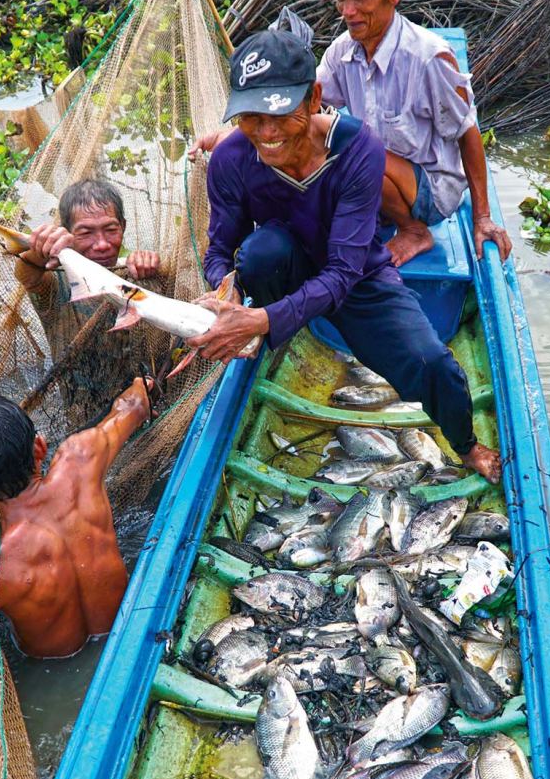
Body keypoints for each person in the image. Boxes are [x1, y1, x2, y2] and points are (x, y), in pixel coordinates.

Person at [185, 28, 501, 483]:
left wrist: (266, 320)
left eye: (279, 115)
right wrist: (226, 292)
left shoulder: (356, 149)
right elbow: (221, 249)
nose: (266, 132)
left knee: (433, 363)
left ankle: (467, 446)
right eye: (251, 117)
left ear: (314, 98)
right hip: (286, 269)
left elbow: (343, 271)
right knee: (258, 254)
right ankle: (278, 336)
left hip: (354, 275)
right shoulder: (232, 158)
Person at [314, 0, 512, 266]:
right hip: (380, 179)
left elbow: (467, 131)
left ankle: (415, 231)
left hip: (430, 190)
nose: (348, 12)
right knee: (313, 136)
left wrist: (482, 217)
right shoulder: (341, 51)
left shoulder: (428, 58)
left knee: (355, 154)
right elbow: (307, 102)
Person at [0, 380, 152, 659]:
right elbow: (136, 406)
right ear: (40, 447)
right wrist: (142, 384)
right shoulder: (82, 457)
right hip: (129, 625)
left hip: (56, 671)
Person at [15, 178, 159, 362]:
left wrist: (151, 264)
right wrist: (39, 250)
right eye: (85, 233)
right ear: (66, 233)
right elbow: (27, 275)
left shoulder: (132, 273)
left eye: (110, 229)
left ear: (123, 226)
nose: (101, 244)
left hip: (146, 387)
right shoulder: (57, 284)